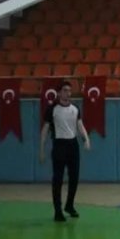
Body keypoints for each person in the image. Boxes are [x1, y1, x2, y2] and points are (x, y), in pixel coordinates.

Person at [38, 80, 90, 223]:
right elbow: (45, 130)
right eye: (65, 90)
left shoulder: (75, 108)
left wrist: (86, 139)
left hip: (73, 145)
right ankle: (57, 210)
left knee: (74, 177)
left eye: (69, 90)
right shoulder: (52, 109)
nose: (68, 93)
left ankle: (69, 205)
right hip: (59, 145)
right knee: (58, 179)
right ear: (59, 93)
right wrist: (41, 149)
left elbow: (80, 125)